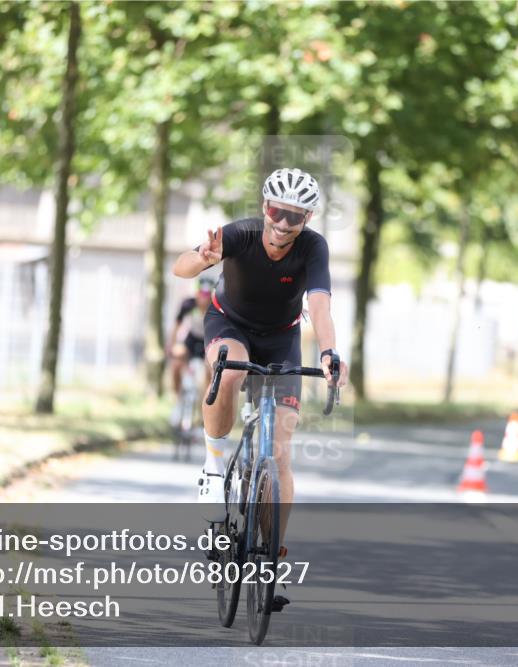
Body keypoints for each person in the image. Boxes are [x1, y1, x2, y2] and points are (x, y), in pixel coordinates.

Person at [171, 167, 349, 611]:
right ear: (264, 207)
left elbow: (321, 306)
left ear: (307, 219)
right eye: (276, 211)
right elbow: (181, 268)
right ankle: (214, 468)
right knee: (228, 371)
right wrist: (204, 259)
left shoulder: (314, 248)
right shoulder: (241, 233)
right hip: (229, 323)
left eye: (295, 216)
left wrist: (329, 353)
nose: (283, 223)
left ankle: (269, 558)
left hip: (283, 336)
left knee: (282, 449)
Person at [165, 277, 214, 400]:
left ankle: (205, 402)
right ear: (196, 293)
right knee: (176, 364)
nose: (204, 298)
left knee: (210, 370)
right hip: (191, 339)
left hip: (207, 342)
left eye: (207, 294)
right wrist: (172, 343)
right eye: (201, 293)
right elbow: (177, 325)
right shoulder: (188, 304)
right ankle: (177, 396)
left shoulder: (215, 307)